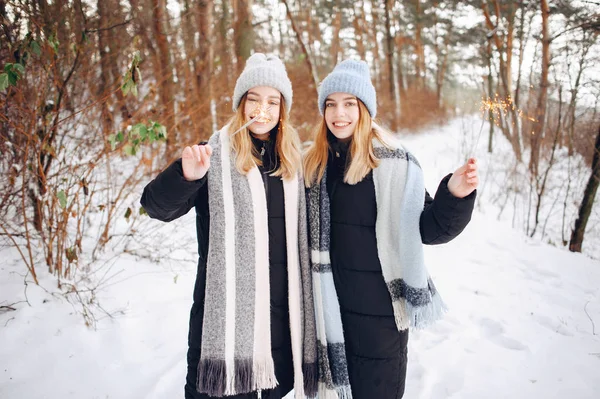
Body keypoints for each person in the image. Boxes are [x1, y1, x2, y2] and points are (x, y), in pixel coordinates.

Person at [141, 53, 317, 399]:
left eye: (272, 101)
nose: (261, 109)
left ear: (282, 110)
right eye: (253, 99)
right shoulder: (212, 156)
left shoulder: (295, 164)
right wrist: (185, 176)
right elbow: (155, 207)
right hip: (225, 323)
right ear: (241, 104)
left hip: (280, 327)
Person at [303, 59, 478, 399]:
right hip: (325, 312)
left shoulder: (395, 163)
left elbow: (429, 228)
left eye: (350, 104)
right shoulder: (310, 164)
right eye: (331, 104)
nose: (340, 114)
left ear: (365, 109)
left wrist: (454, 195)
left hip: (379, 319)